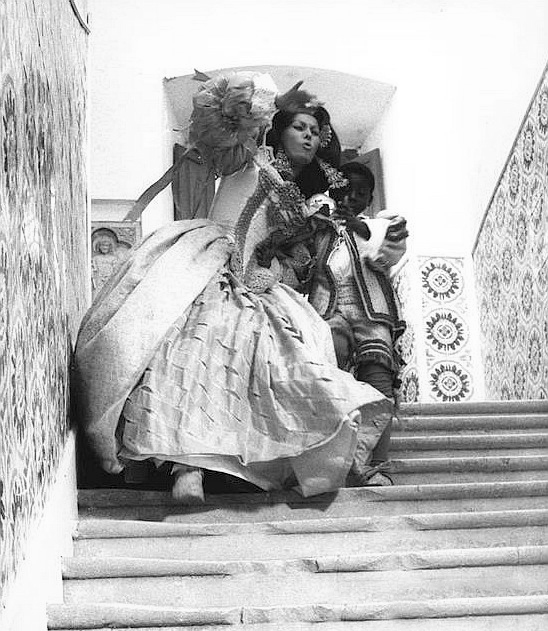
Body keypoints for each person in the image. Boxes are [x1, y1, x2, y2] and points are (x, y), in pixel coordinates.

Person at [74, 71, 392, 504]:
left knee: (273, 350)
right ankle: (184, 465)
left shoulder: (302, 197)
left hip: (253, 279)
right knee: (192, 342)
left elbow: (292, 256)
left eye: (316, 131)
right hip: (208, 257)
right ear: (276, 130)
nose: (309, 136)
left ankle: (233, 460)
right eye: (300, 126)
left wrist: (275, 270)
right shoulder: (247, 156)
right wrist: (269, 103)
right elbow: (219, 122)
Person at [305, 157, 408, 485]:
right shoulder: (318, 228)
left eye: (360, 193)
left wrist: (358, 227)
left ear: (370, 199)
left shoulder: (380, 227)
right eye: (344, 190)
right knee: (328, 379)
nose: (350, 197)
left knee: (378, 382)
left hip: (372, 312)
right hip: (328, 311)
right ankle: (329, 463)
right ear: (332, 191)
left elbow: (390, 251)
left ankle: (376, 465)